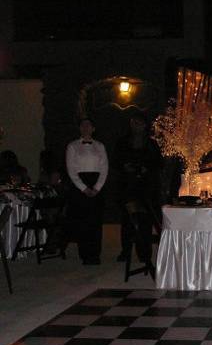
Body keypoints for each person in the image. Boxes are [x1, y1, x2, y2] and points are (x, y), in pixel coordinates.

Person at [113, 112, 162, 263]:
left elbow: (159, 163)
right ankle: (125, 251)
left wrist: (146, 168)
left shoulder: (152, 143)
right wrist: (125, 167)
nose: (136, 126)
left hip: (146, 187)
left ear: (145, 125)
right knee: (128, 220)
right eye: (133, 123)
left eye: (139, 123)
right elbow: (115, 162)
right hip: (128, 186)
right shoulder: (122, 142)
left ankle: (144, 254)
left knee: (145, 222)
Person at [65, 118, 108, 265]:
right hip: (79, 186)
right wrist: (83, 188)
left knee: (96, 221)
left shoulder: (100, 146)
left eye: (88, 125)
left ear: (93, 128)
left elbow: (104, 168)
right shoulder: (72, 146)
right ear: (79, 128)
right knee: (82, 221)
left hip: (96, 185)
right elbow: (71, 170)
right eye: (82, 125)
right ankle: (85, 254)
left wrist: (97, 187)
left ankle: (95, 254)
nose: (85, 127)